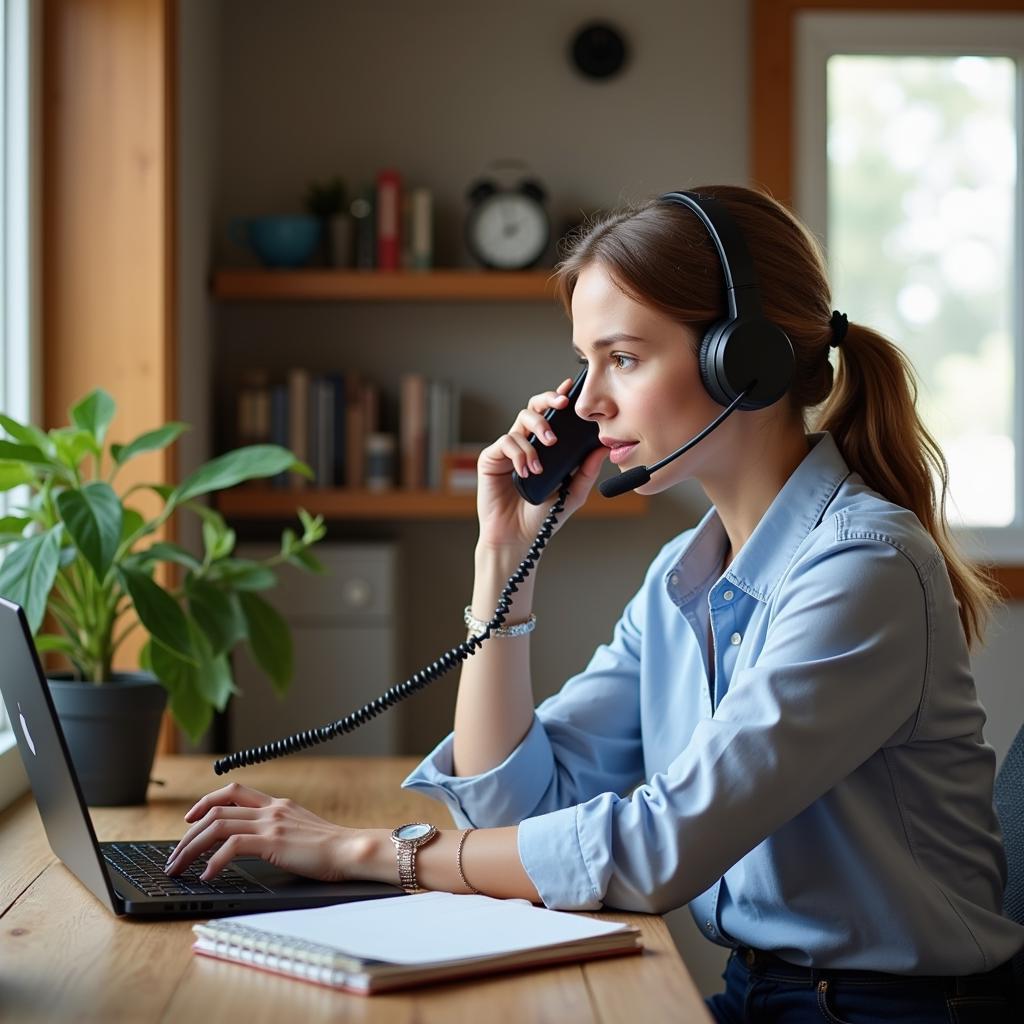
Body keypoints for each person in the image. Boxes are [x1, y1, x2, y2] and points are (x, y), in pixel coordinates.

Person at [166, 185, 1023, 1021]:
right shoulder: (683, 579)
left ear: (743, 359)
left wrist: (362, 851)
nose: (585, 402)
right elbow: (517, 804)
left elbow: (660, 848)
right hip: (758, 994)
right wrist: (504, 553)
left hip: (890, 1010)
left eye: (623, 358)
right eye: (585, 363)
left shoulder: (862, 571)